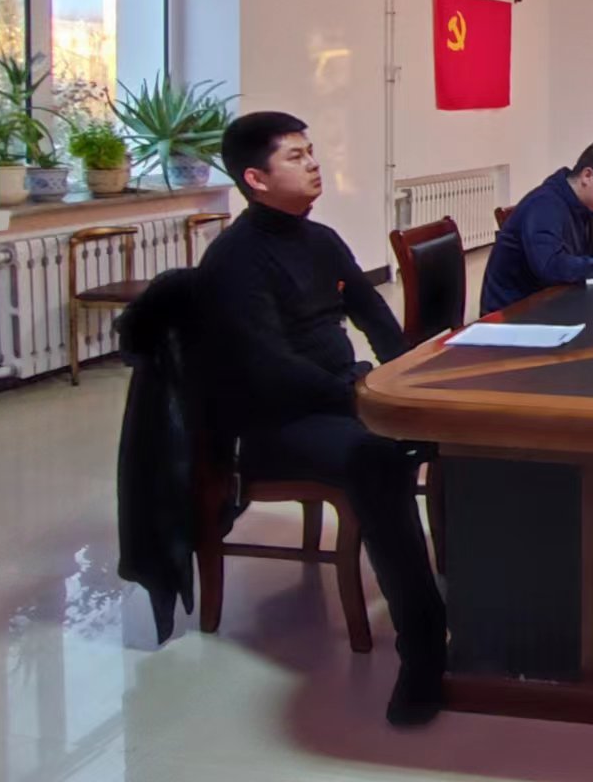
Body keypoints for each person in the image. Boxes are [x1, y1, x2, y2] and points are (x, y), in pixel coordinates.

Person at [197, 112, 446, 726]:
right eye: (295, 156)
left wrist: (411, 376)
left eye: (311, 152)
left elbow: (373, 316)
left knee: (457, 434)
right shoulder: (235, 258)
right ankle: (423, 650)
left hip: (339, 396)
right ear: (255, 178)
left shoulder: (320, 238)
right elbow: (269, 367)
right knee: (378, 459)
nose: (313, 164)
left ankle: (473, 591)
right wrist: (360, 394)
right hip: (277, 423)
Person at [480, 140, 593, 313]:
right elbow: (551, 267)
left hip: (558, 300)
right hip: (515, 312)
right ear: (587, 176)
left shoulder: (589, 205)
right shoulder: (544, 205)